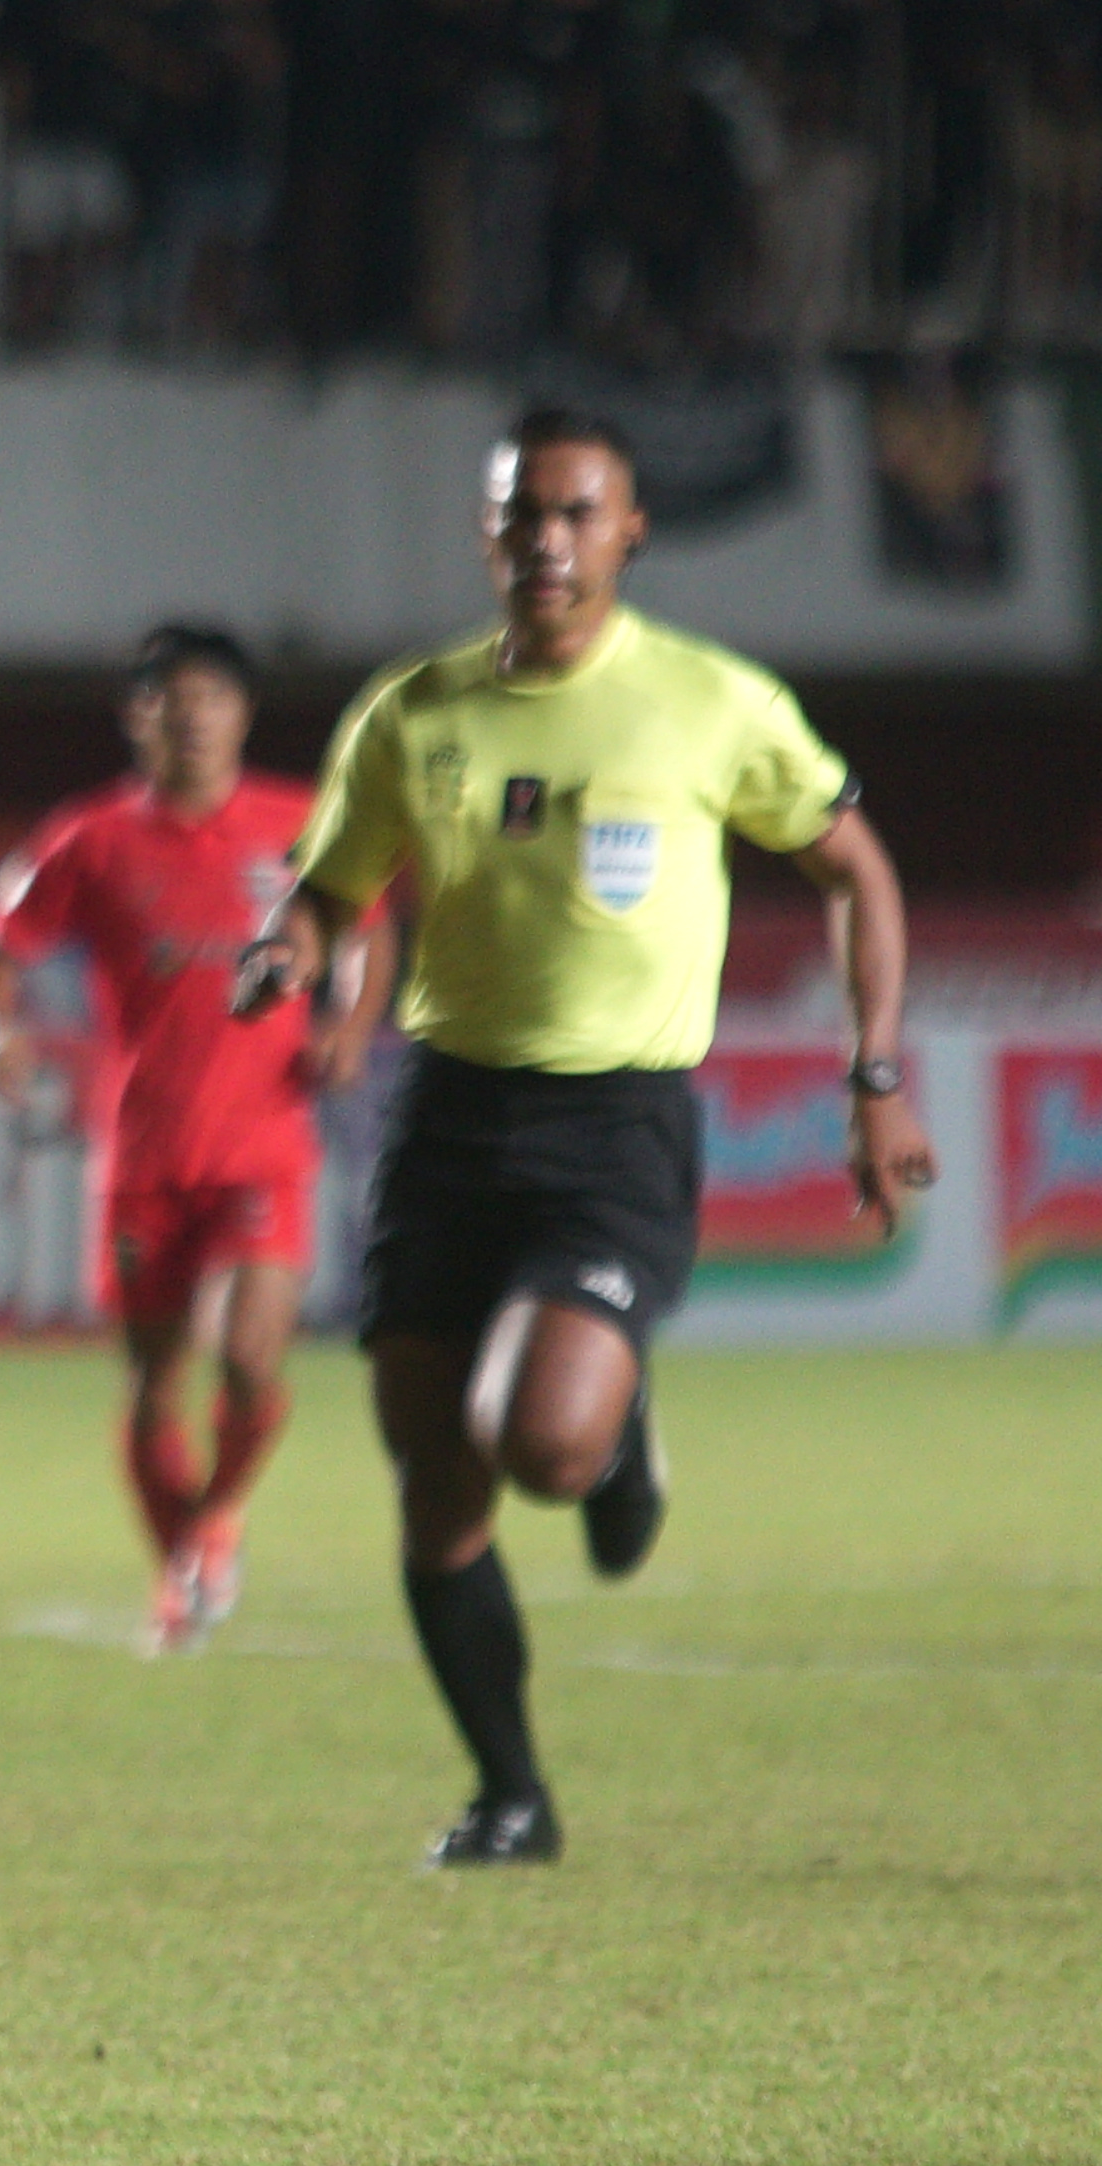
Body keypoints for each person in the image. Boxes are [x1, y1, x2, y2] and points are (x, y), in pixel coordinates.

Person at [237, 407, 937, 1868]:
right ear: (485, 535)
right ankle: (512, 1793)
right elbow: (332, 889)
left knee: (538, 1438)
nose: (545, 541)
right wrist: (289, 947)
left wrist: (874, 1075)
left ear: (629, 531)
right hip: (444, 1121)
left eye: (576, 513)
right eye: (520, 516)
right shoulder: (410, 713)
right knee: (436, 1480)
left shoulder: (709, 701)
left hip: (613, 1121)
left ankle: (613, 1437)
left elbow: (858, 872)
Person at [0, 626, 383, 1654]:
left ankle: (216, 1517)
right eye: (167, 698)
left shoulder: (295, 823)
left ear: (239, 714)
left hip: (263, 1143)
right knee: (154, 1386)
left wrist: (349, 1024)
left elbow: (364, 924)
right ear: (135, 717)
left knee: (247, 1362)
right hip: (144, 1156)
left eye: (209, 696)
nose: (190, 715)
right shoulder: (89, 837)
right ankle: (179, 1566)